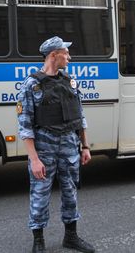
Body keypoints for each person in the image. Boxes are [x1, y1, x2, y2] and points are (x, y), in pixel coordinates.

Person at [17, 36, 95, 253]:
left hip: (69, 146)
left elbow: (80, 116)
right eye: (65, 53)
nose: (69, 57)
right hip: (44, 149)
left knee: (71, 192)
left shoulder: (70, 81)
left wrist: (85, 146)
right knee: (40, 195)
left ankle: (71, 237)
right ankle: (38, 241)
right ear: (54, 55)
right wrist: (34, 159)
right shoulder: (32, 85)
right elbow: (25, 126)